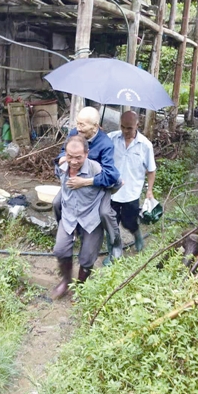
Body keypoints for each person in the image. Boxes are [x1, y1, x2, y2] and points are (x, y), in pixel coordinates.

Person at [53, 106, 123, 261]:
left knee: (105, 212)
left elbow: (111, 176)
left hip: (96, 186)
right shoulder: (74, 133)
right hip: (74, 181)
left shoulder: (106, 144)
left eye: (82, 125)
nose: (78, 128)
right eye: (77, 123)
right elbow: (62, 152)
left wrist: (85, 182)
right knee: (57, 203)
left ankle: (115, 242)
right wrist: (62, 157)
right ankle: (66, 231)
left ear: (95, 127)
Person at [52, 135, 107, 299]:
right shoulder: (62, 167)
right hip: (69, 215)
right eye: (69, 156)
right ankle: (66, 281)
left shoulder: (96, 169)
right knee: (60, 249)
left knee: (87, 256)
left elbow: (116, 182)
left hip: (91, 217)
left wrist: (101, 202)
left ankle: (80, 286)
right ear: (65, 154)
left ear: (87, 153)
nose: (73, 161)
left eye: (78, 157)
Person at [108, 110, 156, 252]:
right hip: (112, 191)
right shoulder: (111, 139)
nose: (125, 131)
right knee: (111, 223)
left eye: (129, 128)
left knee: (129, 222)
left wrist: (149, 190)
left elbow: (152, 170)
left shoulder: (145, 145)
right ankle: (114, 250)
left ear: (137, 125)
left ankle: (137, 234)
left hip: (132, 192)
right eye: (122, 127)